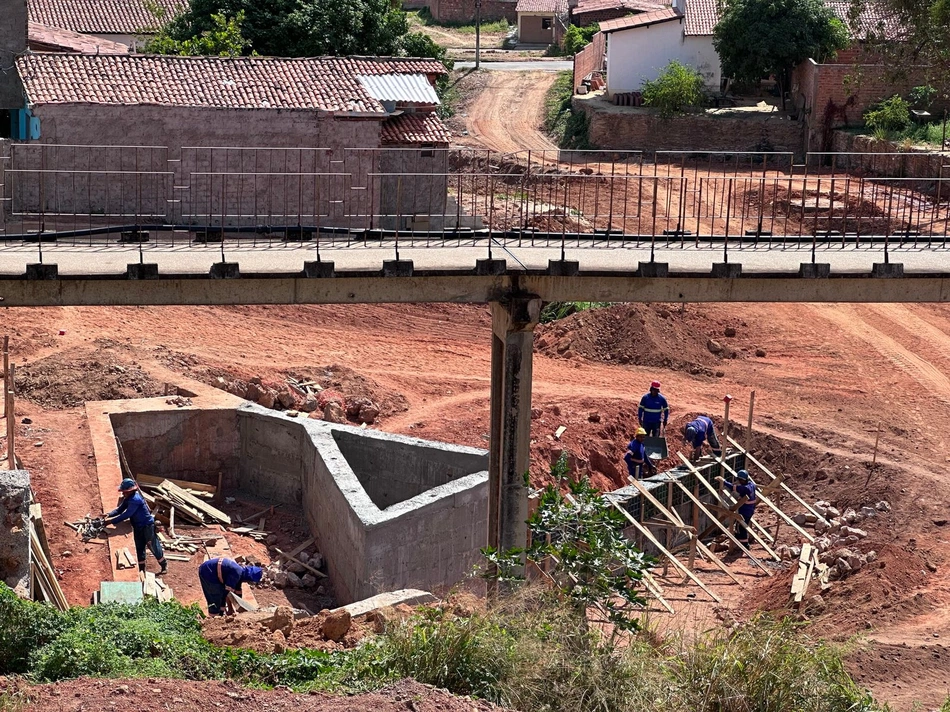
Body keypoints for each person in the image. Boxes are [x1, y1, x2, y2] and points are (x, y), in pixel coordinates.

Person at [105, 478, 167, 575]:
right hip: (138, 526)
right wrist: (109, 514)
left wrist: (110, 522)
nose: (123, 494)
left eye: (124, 492)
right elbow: (120, 509)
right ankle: (141, 569)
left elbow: (127, 514)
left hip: (147, 526)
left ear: (130, 491)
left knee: (152, 545)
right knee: (139, 546)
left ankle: (163, 565)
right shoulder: (128, 499)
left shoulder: (135, 500)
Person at [198, 557, 264, 616]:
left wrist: (240, 607)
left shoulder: (240, 572)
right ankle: (214, 619)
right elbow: (228, 593)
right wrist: (230, 609)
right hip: (208, 572)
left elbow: (238, 592)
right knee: (215, 596)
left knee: (221, 596)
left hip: (213, 571)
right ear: (249, 578)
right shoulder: (236, 574)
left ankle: (219, 614)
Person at [715, 469, 758, 549]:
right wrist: (741, 497)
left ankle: (745, 545)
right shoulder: (751, 485)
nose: (738, 481)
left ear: (742, 480)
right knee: (741, 525)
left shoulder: (744, 488)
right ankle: (741, 540)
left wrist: (723, 481)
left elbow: (732, 487)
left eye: (739, 480)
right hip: (750, 509)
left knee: (741, 527)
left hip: (745, 510)